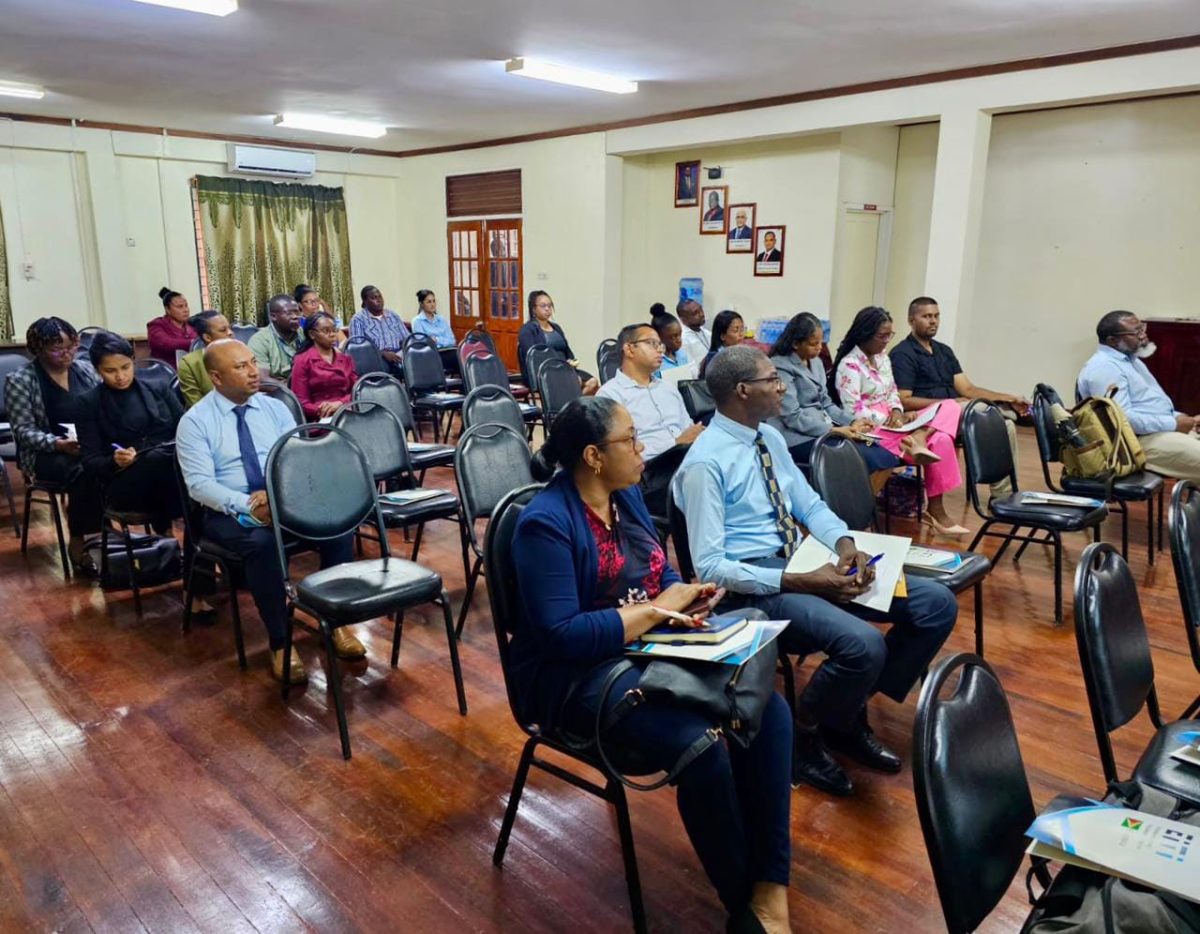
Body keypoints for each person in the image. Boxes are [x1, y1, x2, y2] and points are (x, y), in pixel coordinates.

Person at [512, 397, 793, 932]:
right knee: (702, 745)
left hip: (648, 646)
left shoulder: (629, 498)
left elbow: (657, 572)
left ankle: (770, 884)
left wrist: (683, 596)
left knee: (771, 712)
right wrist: (653, 612)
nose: (644, 450)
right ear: (593, 456)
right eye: (631, 440)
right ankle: (745, 904)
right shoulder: (544, 523)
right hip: (576, 677)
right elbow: (560, 634)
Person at [672, 346, 957, 797]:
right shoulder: (705, 463)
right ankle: (805, 735)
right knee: (861, 644)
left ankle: (844, 714)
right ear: (744, 390)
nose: (782, 386)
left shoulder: (769, 438)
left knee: (935, 604)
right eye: (773, 379)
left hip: (799, 563)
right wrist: (801, 580)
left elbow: (809, 503)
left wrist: (846, 545)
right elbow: (710, 567)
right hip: (756, 585)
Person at [176, 339, 362, 682]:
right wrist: (247, 503)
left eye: (252, 363)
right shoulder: (195, 422)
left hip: (279, 500)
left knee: (336, 526)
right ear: (216, 377)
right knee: (262, 545)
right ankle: (280, 642)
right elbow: (199, 485)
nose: (253, 372)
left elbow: (295, 459)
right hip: (226, 511)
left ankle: (334, 621)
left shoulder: (273, 408)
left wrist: (279, 494)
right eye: (241, 367)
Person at [833, 306, 968, 536]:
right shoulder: (849, 365)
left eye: (890, 335)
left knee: (950, 406)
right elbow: (852, 408)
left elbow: (893, 392)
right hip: (869, 430)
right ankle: (936, 510)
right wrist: (888, 419)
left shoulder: (882, 358)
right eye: (882, 336)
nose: (886, 341)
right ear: (865, 334)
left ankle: (920, 438)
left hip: (897, 424)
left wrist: (897, 412)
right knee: (943, 439)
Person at [891, 297, 1027, 495]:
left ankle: (1003, 496)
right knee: (975, 408)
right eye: (926, 316)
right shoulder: (902, 354)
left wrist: (1009, 398)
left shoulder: (944, 351)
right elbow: (904, 399)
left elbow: (969, 390)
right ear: (911, 320)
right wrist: (949, 403)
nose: (933, 321)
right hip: (926, 418)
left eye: (936, 316)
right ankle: (997, 411)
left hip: (958, 413)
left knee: (1006, 427)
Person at [6, 317, 102, 573]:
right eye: (56, 349)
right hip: (46, 453)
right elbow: (24, 431)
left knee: (113, 463)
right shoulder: (21, 379)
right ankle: (81, 541)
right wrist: (58, 444)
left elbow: (104, 408)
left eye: (71, 346)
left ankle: (108, 530)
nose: (66, 353)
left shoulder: (85, 370)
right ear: (37, 349)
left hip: (87, 444)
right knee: (84, 471)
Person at [77, 331, 185, 534]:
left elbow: (186, 430)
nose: (120, 377)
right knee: (159, 461)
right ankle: (172, 534)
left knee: (167, 459)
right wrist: (114, 461)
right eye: (110, 370)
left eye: (125, 367)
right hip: (125, 482)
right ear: (97, 370)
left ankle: (175, 539)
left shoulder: (158, 388)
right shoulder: (89, 403)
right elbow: (90, 461)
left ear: (133, 361)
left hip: (169, 469)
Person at [767, 313, 901, 473]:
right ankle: (847, 497)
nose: (819, 348)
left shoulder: (816, 362)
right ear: (796, 343)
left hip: (824, 429)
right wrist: (833, 431)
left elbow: (827, 403)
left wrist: (852, 422)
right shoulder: (780, 366)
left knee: (878, 450)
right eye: (813, 344)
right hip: (797, 437)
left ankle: (865, 497)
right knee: (861, 456)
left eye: (821, 342)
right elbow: (792, 417)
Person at [1077, 310, 1200, 482]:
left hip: (1155, 432)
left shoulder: (1131, 361)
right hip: (1133, 444)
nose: (1143, 336)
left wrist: (1182, 418)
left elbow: (1148, 405)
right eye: (1136, 333)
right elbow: (1121, 420)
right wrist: (1173, 423)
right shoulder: (1104, 368)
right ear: (1112, 340)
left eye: (1142, 328)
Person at [516, 290, 598, 392]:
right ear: (533, 309)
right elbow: (533, 357)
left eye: (550, 306)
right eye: (543, 306)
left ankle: (572, 404)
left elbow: (567, 350)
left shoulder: (556, 328)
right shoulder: (527, 330)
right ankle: (572, 404)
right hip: (544, 372)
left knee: (593, 382)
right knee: (575, 381)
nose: (547, 309)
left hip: (565, 369)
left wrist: (571, 361)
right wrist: (557, 365)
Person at [290, 312, 358, 421]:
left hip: (348, 410)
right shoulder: (302, 360)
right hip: (320, 417)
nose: (332, 334)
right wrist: (325, 409)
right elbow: (300, 402)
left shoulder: (345, 359)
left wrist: (341, 404)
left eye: (334, 330)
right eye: (326, 331)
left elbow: (357, 390)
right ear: (312, 334)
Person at [177, 310, 233, 408]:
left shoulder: (240, 355)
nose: (230, 333)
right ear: (207, 337)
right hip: (208, 418)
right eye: (223, 330)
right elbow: (196, 405)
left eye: (230, 328)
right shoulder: (189, 363)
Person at [349, 285, 409, 374]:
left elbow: (406, 338)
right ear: (365, 302)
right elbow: (358, 349)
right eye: (373, 298)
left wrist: (405, 351)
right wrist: (382, 353)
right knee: (381, 367)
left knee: (416, 362)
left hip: (398, 354)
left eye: (379, 296)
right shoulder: (358, 319)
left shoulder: (392, 315)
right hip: (375, 358)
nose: (378, 300)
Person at [247, 295, 306, 382]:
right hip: (277, 391)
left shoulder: (304, 333)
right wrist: (291, 389)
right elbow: (262, 379)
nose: (295, 317)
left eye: (297, 312)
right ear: (273, 317)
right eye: (289, 313)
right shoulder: (260, 340)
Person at [147, 287, 197, 367]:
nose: (186, 310)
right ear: (168, 309)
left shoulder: (192, 325)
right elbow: (167, 343)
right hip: (165, 373)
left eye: (186, 306)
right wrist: (194, 342)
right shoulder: (156, 325)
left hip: (189, 370)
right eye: (180, 307)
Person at [698, 310, 745, 379]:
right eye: (736, 331)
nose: (741, 334)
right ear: (722, 336)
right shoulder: (714, 360)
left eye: (742, 330)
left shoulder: (739, 353)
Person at [677, 298, 712, 366]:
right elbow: (691, 370)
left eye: (701, 309)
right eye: (695, 313)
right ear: (683, 319)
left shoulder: (707, 333)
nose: (702, 314)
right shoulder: (683, 340)